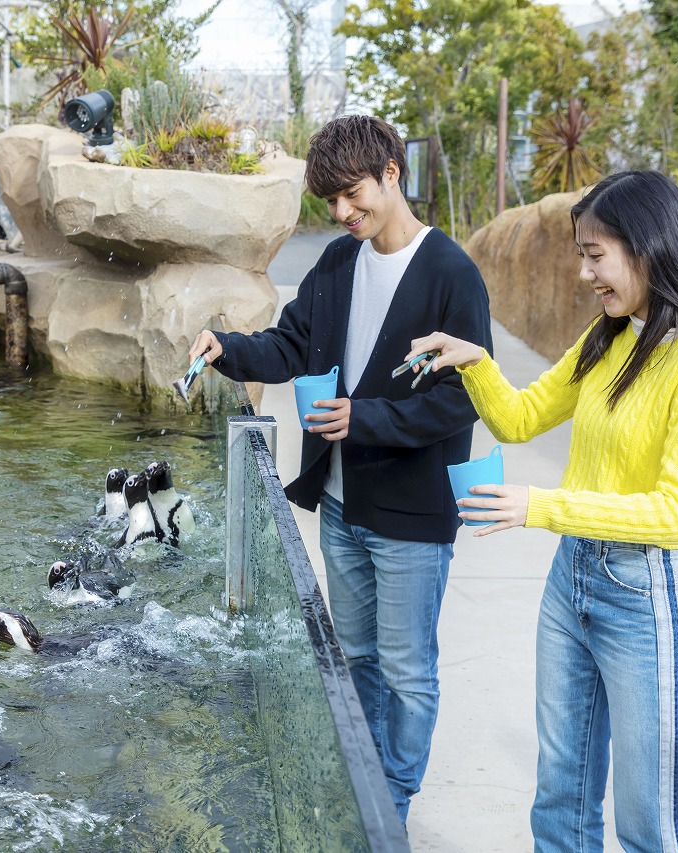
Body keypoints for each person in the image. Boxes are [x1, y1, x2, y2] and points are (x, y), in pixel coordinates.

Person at [404, 170, 678, 851]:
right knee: (562, 790)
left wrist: (541, 505)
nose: (584, 270)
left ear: (649, 247)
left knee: (653, 820)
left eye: (596, 253)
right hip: (575, 581)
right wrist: (475, 361)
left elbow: (677, 513)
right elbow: (518, 417)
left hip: (649, 596)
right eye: (581, 252)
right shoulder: (611, 337)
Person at [188, 114, 493, 823]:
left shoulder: (452, 274)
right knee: (355, 657)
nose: (341, 213)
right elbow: (291, 345)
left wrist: (366, 418)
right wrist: (224, 348)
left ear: (392, 171)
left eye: (351, 195)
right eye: (329, 202)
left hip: (412, 513)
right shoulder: (336, 264)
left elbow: (461, 400)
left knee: (408, 670)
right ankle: (369, 789)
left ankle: (394, 800)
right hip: (340, 505)